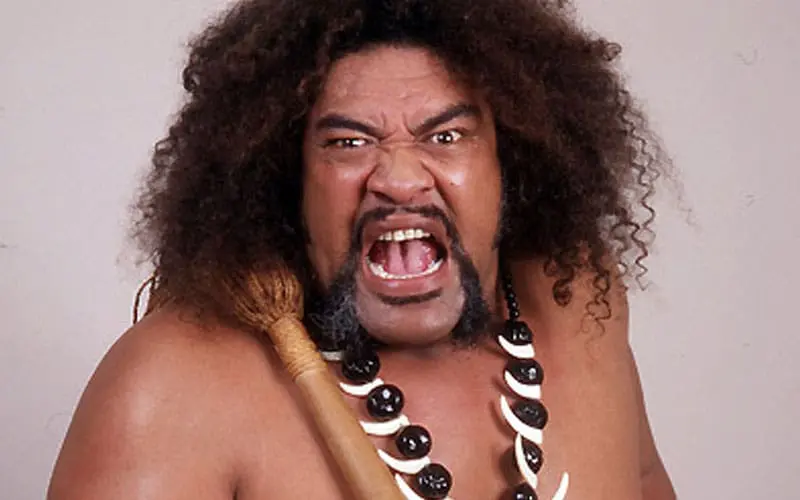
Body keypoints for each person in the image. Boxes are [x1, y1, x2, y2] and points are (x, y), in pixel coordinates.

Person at [48, 0, 676, 498]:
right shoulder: (172, 389)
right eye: (348, 143)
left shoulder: (579, 304)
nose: (399, 179)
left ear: (510, 162)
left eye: (446, 135)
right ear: (286, 180)